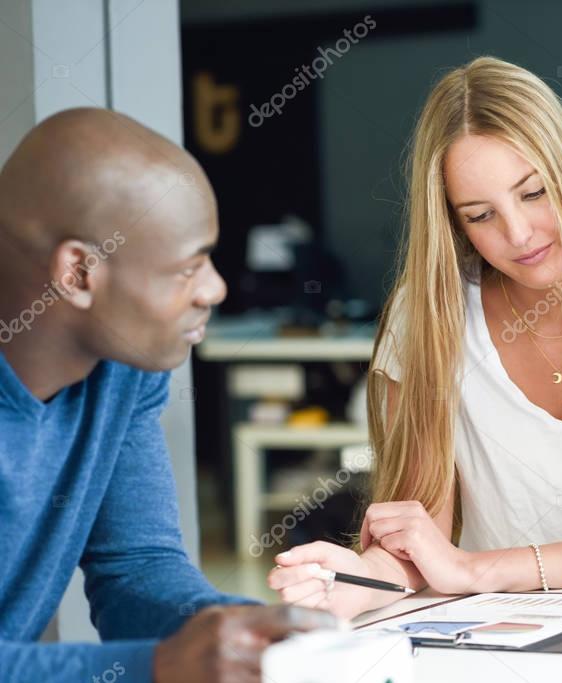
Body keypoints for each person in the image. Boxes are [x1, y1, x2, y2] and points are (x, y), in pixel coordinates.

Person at [269, 57, 562, 618]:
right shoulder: (429, 313)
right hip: (499, 635)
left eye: (534, 192)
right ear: (453, 223)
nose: (519, 234)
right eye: (480, 215)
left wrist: (478, 570)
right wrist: (360, 575)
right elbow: (419, 539)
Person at [0, 108, 336, 683]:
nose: (216, 287)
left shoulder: (122, 369)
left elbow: (135, 568)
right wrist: (160, 664)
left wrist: (246, 633)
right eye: (188, 267)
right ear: (79, 273)